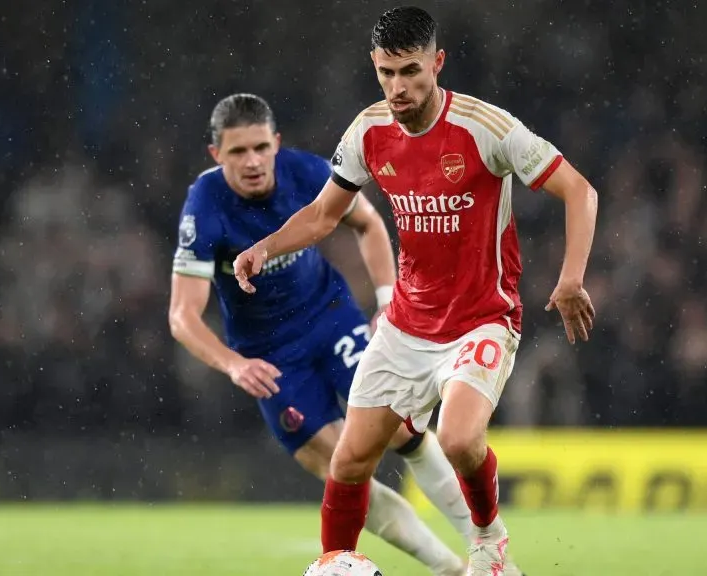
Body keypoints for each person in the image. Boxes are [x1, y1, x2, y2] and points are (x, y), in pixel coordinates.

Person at [231, 7, 598, 576]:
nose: (398, 87)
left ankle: (489, 541)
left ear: (437, 63)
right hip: (406, 325)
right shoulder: (369, 131)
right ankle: (335, 562)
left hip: (482, 319)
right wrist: (265, 247)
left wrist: (571, 276)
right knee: (350, 460)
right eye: (386, 73)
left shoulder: (486, 128)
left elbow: (579, 191)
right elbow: (325, 214)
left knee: (456, 437)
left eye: (410, 71)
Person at [168, 93, 524, 576]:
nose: (252, 162)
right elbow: (182, 316)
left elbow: (369, 224)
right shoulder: (204, 207)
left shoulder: (307, 172)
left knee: (401, 431)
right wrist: (233, 363)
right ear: (216, 155)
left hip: (329, 319)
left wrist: (384, 301)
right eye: (237, 152)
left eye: (259, 148)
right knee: (342, 465)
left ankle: (487, 557)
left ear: (276, 143)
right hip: (271, 357)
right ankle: (451, 569)